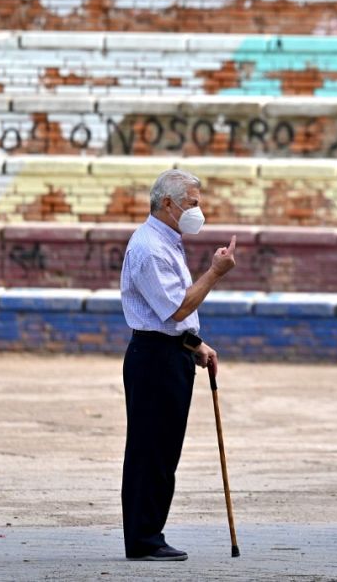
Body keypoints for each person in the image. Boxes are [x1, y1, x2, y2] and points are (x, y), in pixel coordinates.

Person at [120, 169, 237, 561]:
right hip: (154, 358)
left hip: (169, 353)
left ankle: (149, 532)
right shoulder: (150, 247)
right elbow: (175, 308)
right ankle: (144, 538)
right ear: (167, 203)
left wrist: (194, 344)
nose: (197, 211)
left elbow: (169, 317)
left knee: (163, 448)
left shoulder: (166, 241)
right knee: (151, 450)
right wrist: (215, 272)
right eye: (192, 203)